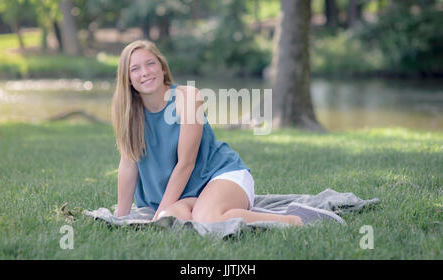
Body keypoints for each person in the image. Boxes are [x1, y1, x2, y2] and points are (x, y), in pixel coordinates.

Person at [111, 39, 345, 227]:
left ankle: (296, 219)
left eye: (150, 63)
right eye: (135, 69)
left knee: (207, 219)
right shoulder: (129, 115)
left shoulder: (187, 97)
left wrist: (158, 214)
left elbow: (186, 163)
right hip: (183, 194)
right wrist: (120, 218)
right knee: (176, 220)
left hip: (220, 175)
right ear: (128, 79)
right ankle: (204, 207)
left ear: (162, 67)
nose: (145, 72)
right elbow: (128, 167)